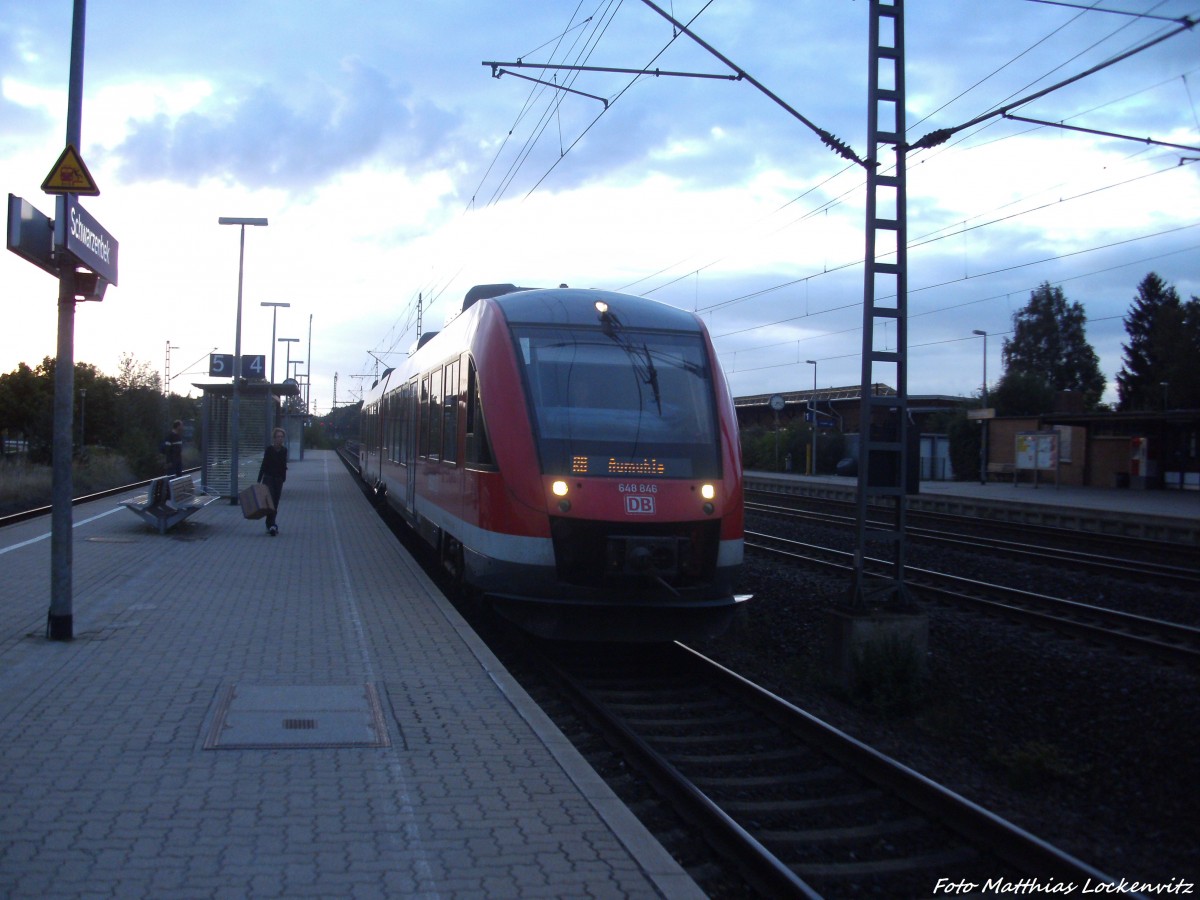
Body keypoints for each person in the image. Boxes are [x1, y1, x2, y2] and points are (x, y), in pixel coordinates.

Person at [257, 427, 288, 537]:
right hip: (269, 478)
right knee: (270, 501)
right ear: (274, 438)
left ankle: (270, 523)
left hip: (278, 479)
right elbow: (264, 464)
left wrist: (283, 478)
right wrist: (259, 479)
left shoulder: (284, 450)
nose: (280, 439)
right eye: (278, 437)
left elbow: (284, 465)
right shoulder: (269, 450)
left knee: (275, 502)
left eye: (281, 437)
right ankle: (272, 524)